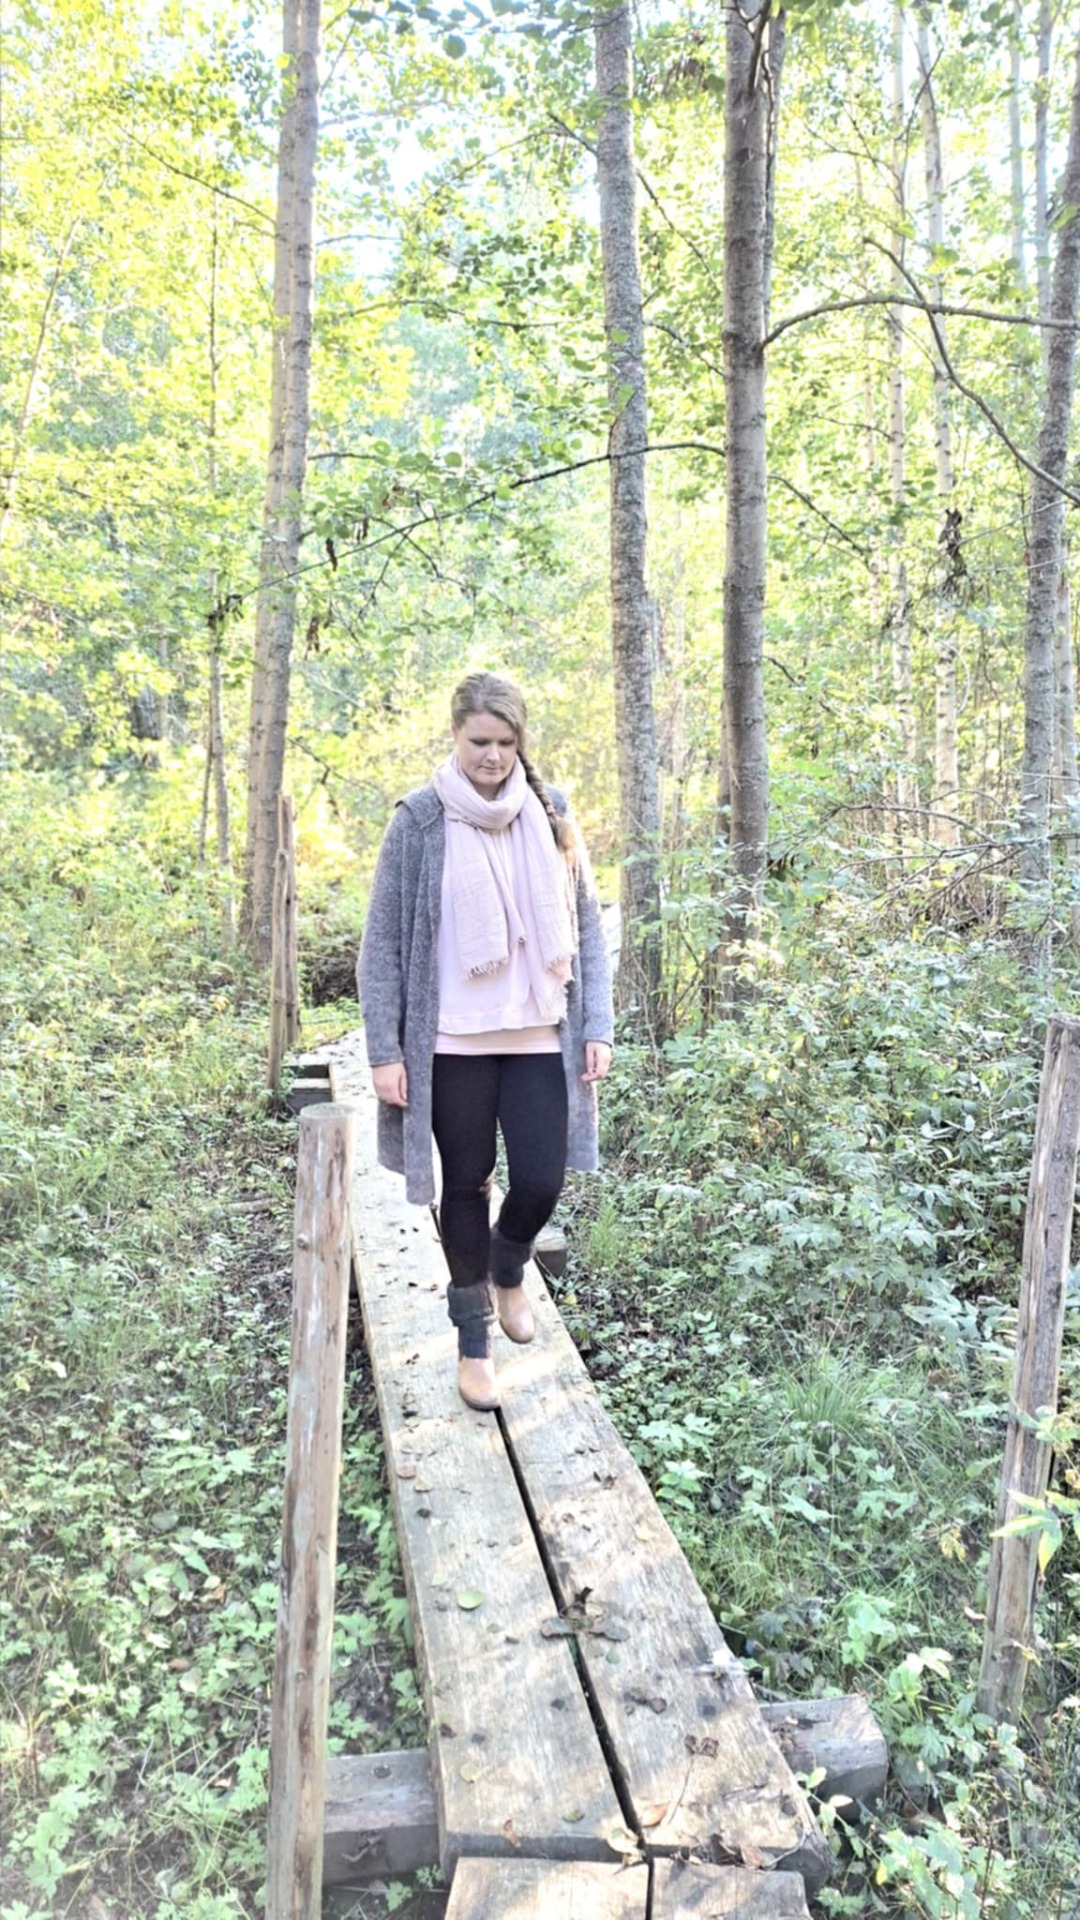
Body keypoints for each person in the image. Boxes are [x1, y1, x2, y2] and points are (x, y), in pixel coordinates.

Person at [358, 671, 614, 1412]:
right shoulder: (419, 821)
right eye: (479, 742)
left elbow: (587, 928)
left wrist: (597, 1025)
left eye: (505, 742)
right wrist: (384, 1051)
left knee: (541, 1179)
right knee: (465, 1184)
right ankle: (473, 1344)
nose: (493, 756)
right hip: (451, 1041)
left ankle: (509, 1267)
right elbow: (382, 945)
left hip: (538, 1031)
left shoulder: (551, 810)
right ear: (455, 736)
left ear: (519, 740)